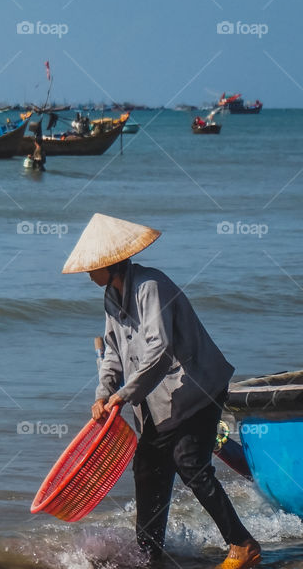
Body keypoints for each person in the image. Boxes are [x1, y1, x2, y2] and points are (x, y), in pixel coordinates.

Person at [62, 213, 261, 569]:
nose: (88, 274)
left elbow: (160, 350)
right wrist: (102, 393)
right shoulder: (112, 296)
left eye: (92, 268)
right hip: (159, 401)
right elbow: (112, 352)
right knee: (147, 468)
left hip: (196, 390)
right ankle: (149, 553)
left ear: (111, 263)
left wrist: (123, 396)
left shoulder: (150, 286)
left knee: (191, 464)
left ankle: (243, 544)